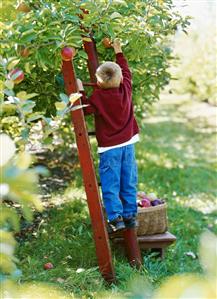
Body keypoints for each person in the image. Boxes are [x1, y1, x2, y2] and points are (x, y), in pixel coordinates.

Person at [77, 38, 139, 231]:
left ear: (97, 82)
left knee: (111, 182)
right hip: (128, 144)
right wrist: (118, 50)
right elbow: (125, 69)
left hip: (109, 149)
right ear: (121, 79)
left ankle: (115, 217)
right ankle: (130, 215)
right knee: (128, 180)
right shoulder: (126, 88)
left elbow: (84, 109)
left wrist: (79, 89)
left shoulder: (97, 97)